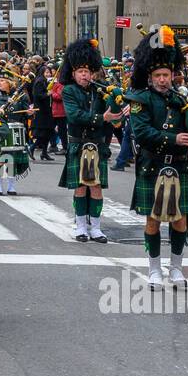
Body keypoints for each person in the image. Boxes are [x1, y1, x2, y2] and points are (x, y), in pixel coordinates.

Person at [127, 26, 188, 289]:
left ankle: (176, 269)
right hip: (153, 165)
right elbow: (142, 132)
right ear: (150, 76)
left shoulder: (182, 100)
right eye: (157, 75)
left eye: (166, 74)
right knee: (153, 220)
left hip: (178, 166)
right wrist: (175, 139)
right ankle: (154, 268)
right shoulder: (140, 100)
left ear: (172, 75)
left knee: (180, 219)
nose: (162, 80)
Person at [58, 38, 120, 242]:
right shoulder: (68, 91)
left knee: (96, 186)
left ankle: (96, 228)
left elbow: (114, 112)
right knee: (80, 186)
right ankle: (81, 226)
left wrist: (116, 96)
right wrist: (102, 118)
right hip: (78, 143)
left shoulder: (101, 90)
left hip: (97, 143)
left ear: (93, 72)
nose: (84, 75)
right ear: (73, 73)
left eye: (87, 71)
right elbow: (74, 115)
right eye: (80, 72)